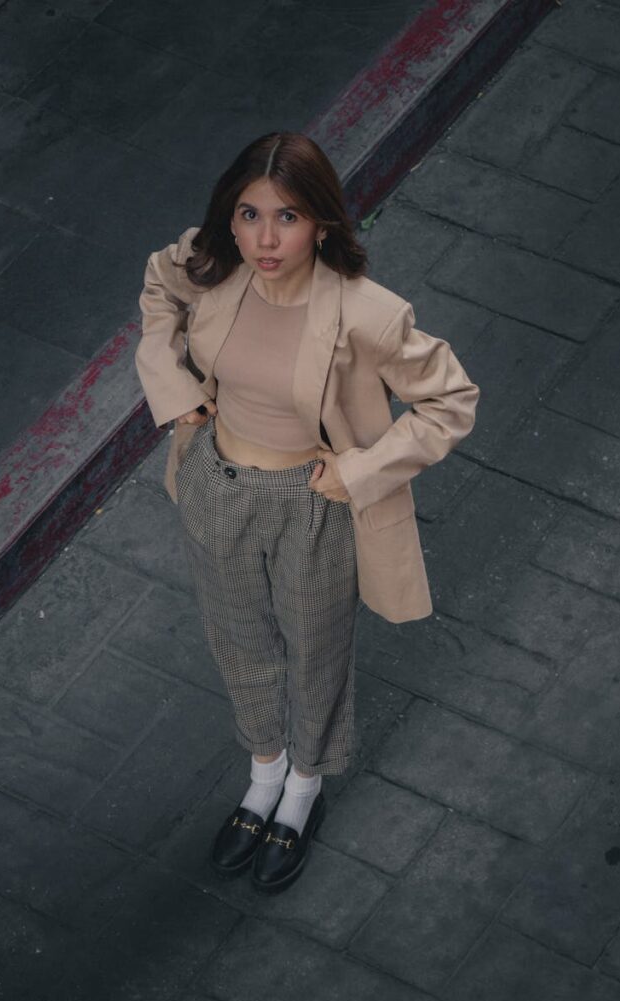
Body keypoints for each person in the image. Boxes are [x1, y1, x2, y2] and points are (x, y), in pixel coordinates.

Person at [135, 131, 479, 894]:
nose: (265, 238)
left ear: (321, 223)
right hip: (214, 482)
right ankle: (264, 773)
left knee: (314, 649)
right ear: (229, 217)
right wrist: (175, 391)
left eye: (286, 217)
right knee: (238, 642)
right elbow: (158, 287)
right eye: (249, 214)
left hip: (312, 502)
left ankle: (303, 788)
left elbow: (451, 400)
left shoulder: (365, 314)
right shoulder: (210, 266)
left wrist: (357, 472)